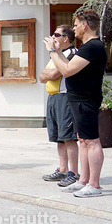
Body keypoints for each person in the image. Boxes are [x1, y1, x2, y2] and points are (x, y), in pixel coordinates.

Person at [44, 8, 108, 198]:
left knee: (92, 141)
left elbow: (66, 70)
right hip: (77, 98)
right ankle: (83, 180)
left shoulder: (93, 47)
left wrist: (52, 51)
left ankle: (94, 185)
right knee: (82, 140)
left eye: (75, 24)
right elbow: (67, 63)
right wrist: (58, 51)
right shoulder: (87, 47)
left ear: (84, 25)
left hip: (86, 99)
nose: (74, 28)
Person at [40, 25, 79, 186]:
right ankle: (63, 169)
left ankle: (74, 173)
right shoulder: (56, 55)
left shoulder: (71, 53)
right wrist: (49, 75)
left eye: (57, 34)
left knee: (69, 137)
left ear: (66, 39)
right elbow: (42, 76)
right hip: (53, 97)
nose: (53, 37)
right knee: (59, 138)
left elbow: (57, 73)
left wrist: (49, 74)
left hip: (66, 97)